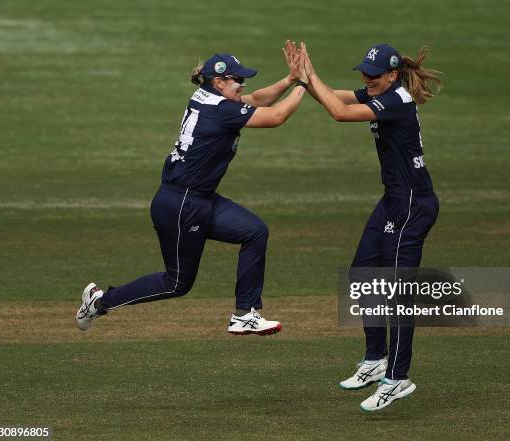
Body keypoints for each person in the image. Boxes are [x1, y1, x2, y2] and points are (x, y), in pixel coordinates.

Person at [76, 41, 310, 336]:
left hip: (196, 198)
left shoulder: (208, 97)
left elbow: (257, 99)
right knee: (176, 283)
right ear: (219, 81)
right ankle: (99, 303)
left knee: (255, 231)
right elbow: (275, 116)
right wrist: (304, 83)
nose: (242, 85)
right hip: (182, 204)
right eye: (238, 80)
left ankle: (245, 314)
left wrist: (290, 79)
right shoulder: (222, 109)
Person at [301, 42, 441, 411]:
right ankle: (376, 358)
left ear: (392, 75)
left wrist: (308, 76)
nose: (366, 79)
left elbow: (339, 113)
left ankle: (398, 378)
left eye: (373, 74)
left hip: (413, 203)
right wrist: (303, 80)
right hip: (393, 199)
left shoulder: (396, 100)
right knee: (363, 272)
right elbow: (337, 97)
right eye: (363, 73)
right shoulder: (384, 90)